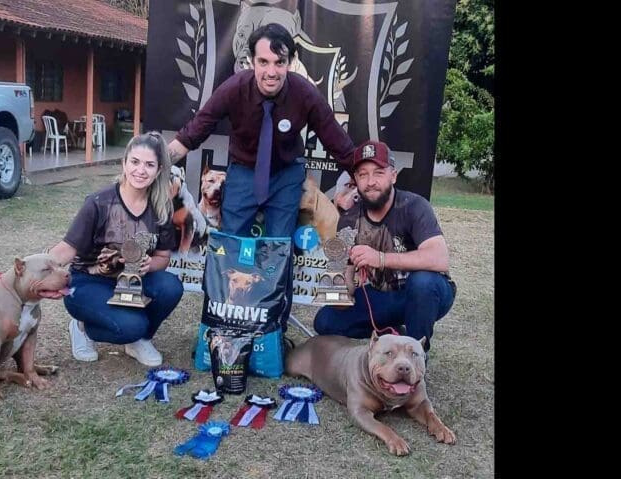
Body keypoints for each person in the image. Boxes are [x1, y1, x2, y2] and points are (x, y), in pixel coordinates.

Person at [167, 23, 355, 331]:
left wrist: (370, 178)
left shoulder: (305, 93)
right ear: (251, 61)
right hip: (242, 171)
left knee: (278, 248)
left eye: (279, 63)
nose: (271, 71)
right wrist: (157, 164)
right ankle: (221, 323)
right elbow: (195, 131)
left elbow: (339, 144)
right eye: (263, 62)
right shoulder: (234, 88)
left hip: (286, 174)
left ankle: (272, 328)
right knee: (229, 245)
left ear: (291, 63)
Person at [49, 131, 184, 365]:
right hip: (88, 282)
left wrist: (149, 264)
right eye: (135, 162)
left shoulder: (161, 207)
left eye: (149, 165)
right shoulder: (98, 202)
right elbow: (66, 250)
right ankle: (82, 328)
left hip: (132, 280)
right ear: (124, 163)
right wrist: (28, 271)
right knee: (132, 325)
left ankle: (140, 340)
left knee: (171, 287)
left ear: (159, 170)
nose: (141, 170)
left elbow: (163, 257)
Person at [314, 140, 456, 354]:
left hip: (423, 293)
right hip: (382, 296)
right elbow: (341, 286)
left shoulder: (414, 206)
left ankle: (415, 354)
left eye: (378, 173)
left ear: (393, 175)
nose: (371, 182)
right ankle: (391, 332)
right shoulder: (348, 220)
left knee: (423, 282)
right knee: (324, 322)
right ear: (356, 181)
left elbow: (439, 258)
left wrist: (380, 259)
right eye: (363, 175)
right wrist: (335, 286)